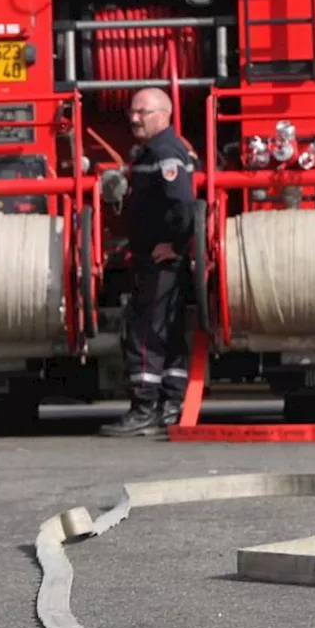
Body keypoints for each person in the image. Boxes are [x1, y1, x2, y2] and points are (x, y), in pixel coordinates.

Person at [99, 86, 197, 437]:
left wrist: (176, 243)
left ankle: (144, 410)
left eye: (143, 112)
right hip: (159, 257)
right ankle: (170, 407)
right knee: (168, 334)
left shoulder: (164, 151)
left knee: (145, 333)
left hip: (159, 260)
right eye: (133, 112)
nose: (134, 118)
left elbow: (184, 203)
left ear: (164, 114)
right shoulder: (155, 151)